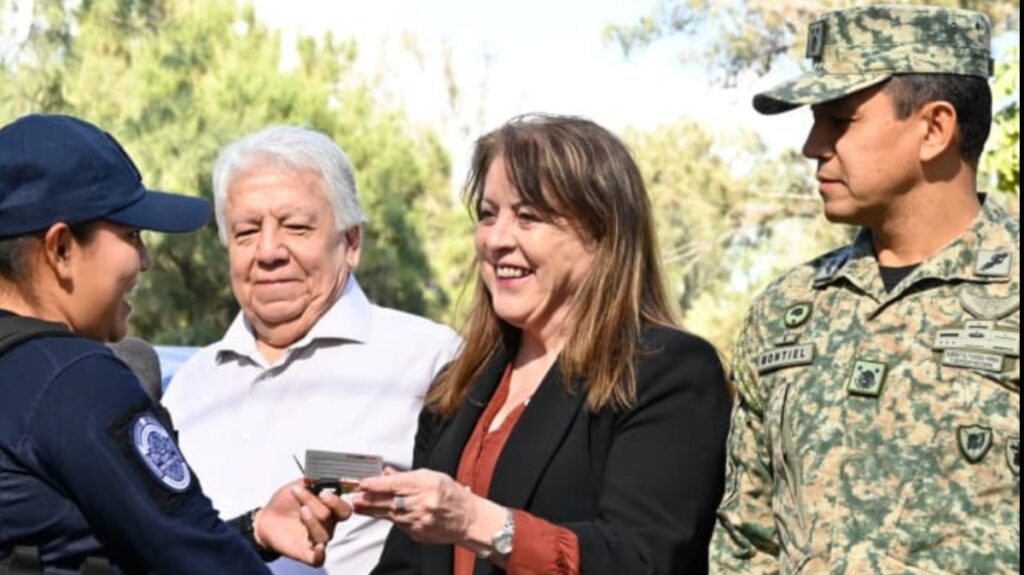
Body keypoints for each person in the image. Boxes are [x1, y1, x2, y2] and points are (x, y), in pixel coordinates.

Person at [710, 5, 1019, 574]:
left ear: (934, 129)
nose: (812, 146)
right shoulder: (787, 311)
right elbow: (746, 543)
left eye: (838, 120)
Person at [357, 114, 733, 575]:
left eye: (528, 217)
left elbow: (641, 560)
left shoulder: (668, 372)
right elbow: (405, 565)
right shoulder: (457, 388)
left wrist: (476, 521)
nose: (496, 239)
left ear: (602, 235)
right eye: (488, 214)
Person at [0, 114, 352, 574]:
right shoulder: (76, 377)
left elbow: (128, 542)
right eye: (131, 235)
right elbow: (204, 564)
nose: (145, 259)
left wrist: (253, 531)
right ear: (61, 249)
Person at [161, 125, 460, 575]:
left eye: (296, 227)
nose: (268, 251)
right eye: (246, 232)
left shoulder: (430, 361)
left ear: (351, 242)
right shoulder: (188, 387)